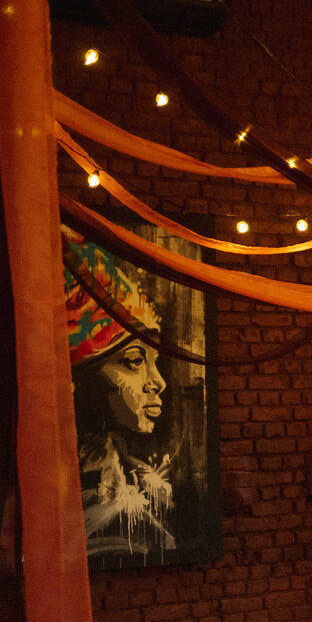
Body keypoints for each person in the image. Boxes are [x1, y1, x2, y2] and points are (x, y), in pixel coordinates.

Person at [65, 231, 177, 558]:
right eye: (134, 361)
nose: (158, 382)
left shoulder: (141, 482)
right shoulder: (85, 508)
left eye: (154, 361)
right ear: (78, 377)